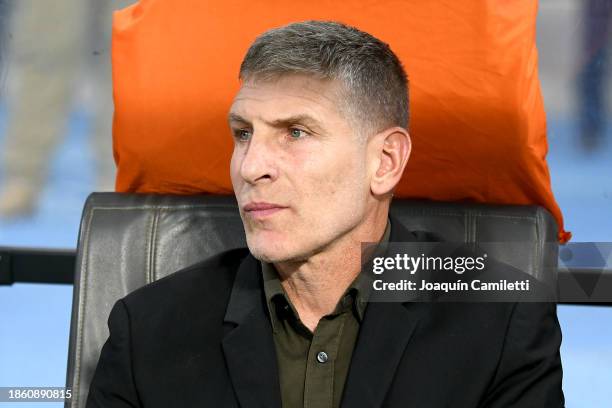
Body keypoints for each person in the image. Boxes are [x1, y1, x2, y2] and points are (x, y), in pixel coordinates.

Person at [86, 21, 564, 407]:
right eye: (243, 133)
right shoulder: (148, 330)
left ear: (385, 162)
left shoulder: (503, 323)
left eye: (295, 132)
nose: (251, 168)